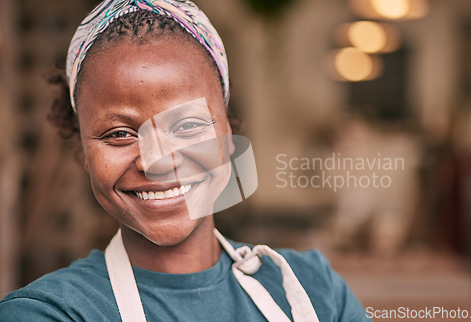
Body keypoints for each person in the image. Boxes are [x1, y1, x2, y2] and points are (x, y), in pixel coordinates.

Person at [0, 1, 370, 321]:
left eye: (188, 125)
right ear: (83, 152)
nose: (157, 160)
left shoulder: (312, 288)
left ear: (229, 131)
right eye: (119, 134)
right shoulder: (49, 313)